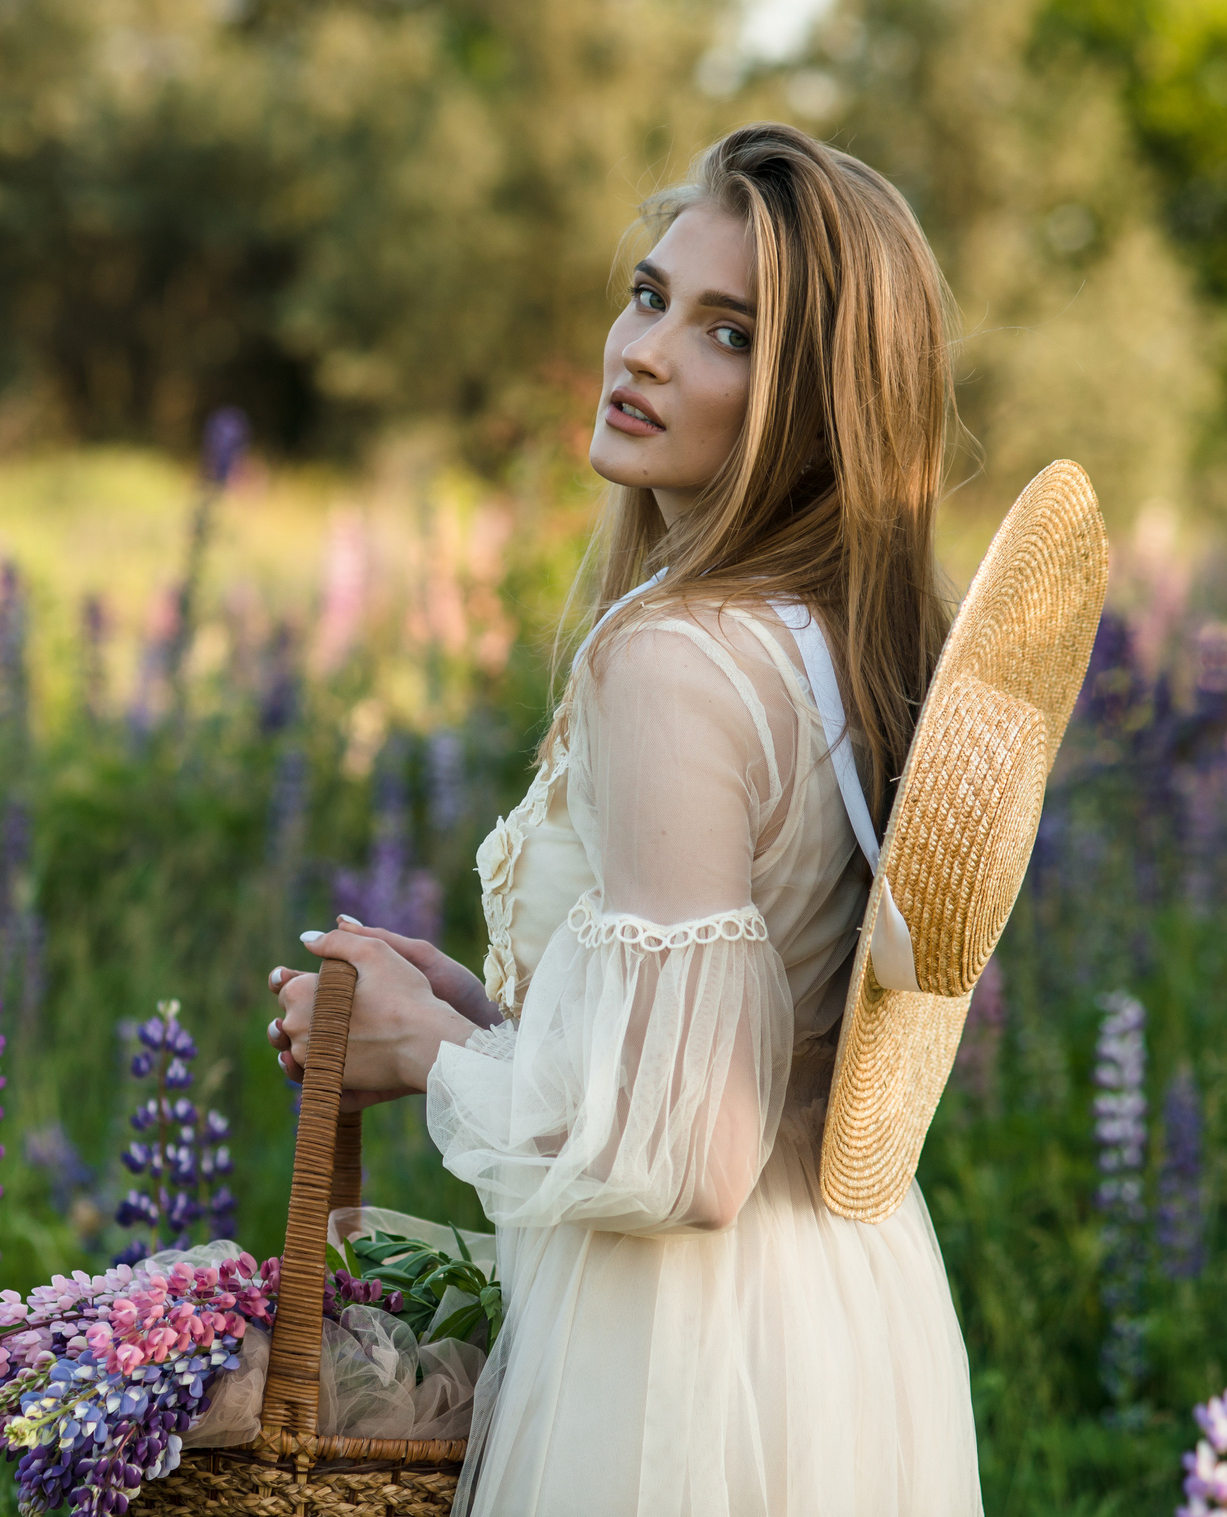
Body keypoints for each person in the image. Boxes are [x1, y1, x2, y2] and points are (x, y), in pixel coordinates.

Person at [265, 121, 984, 1514]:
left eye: (726, 334)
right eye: (650, 296)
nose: (643, 350)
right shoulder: (833, 640)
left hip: (682, 1358)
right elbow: (743, 1065)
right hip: (840, 1316)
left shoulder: (670, 659)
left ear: (817, 401)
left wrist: (427, 1058)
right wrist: (475, 1014)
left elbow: (692, 1157)